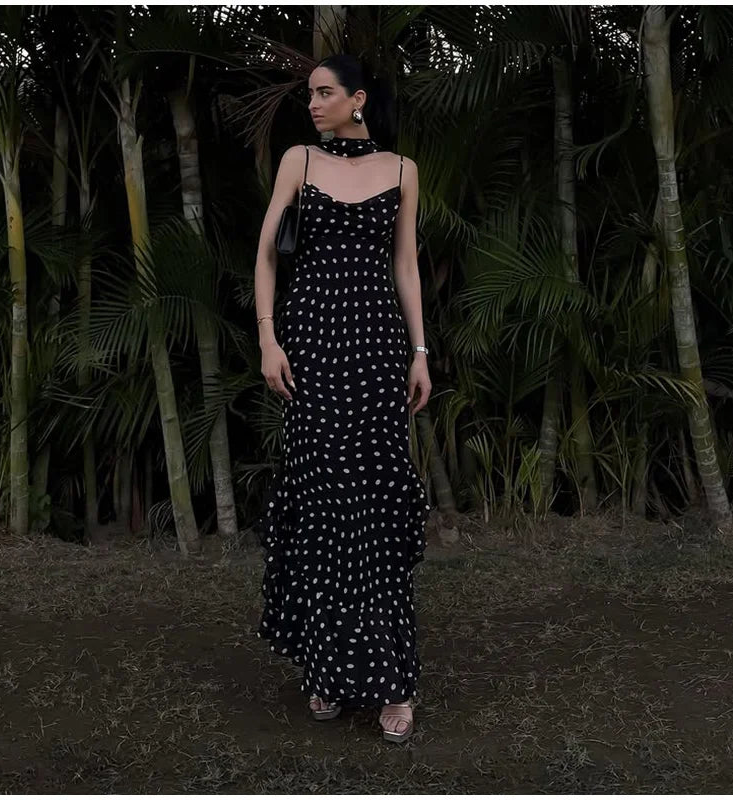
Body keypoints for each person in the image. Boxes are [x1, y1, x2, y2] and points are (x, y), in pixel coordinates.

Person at [252, 52, 432, 743]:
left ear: (357, 99)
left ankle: (393, 681)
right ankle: (327, 668)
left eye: (324, 92)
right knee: (325, 504)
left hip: (378, 351)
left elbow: (405, 265)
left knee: (374, 505)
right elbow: (266, 253)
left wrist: (419, 352)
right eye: (310, 94)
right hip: (313, 351)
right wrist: (268, 339)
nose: (312, 103)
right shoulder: (298, 161)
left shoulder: (402, 170)